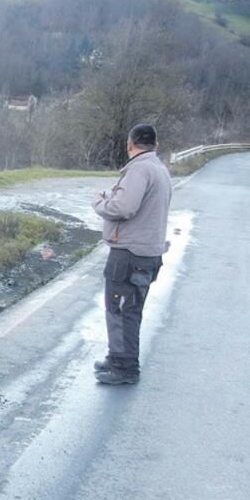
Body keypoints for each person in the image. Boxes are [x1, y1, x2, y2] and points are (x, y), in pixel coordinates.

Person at [92, 123, 173, 385]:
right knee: (130, 309)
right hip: (148, 252)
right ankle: (118, 356)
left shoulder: (139, 169)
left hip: (129, 254)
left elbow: (124, 208)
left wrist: (99, 202)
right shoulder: (160, 169)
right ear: (155, 145)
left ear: (129, 144)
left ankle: (124, 367)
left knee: (120, 310)